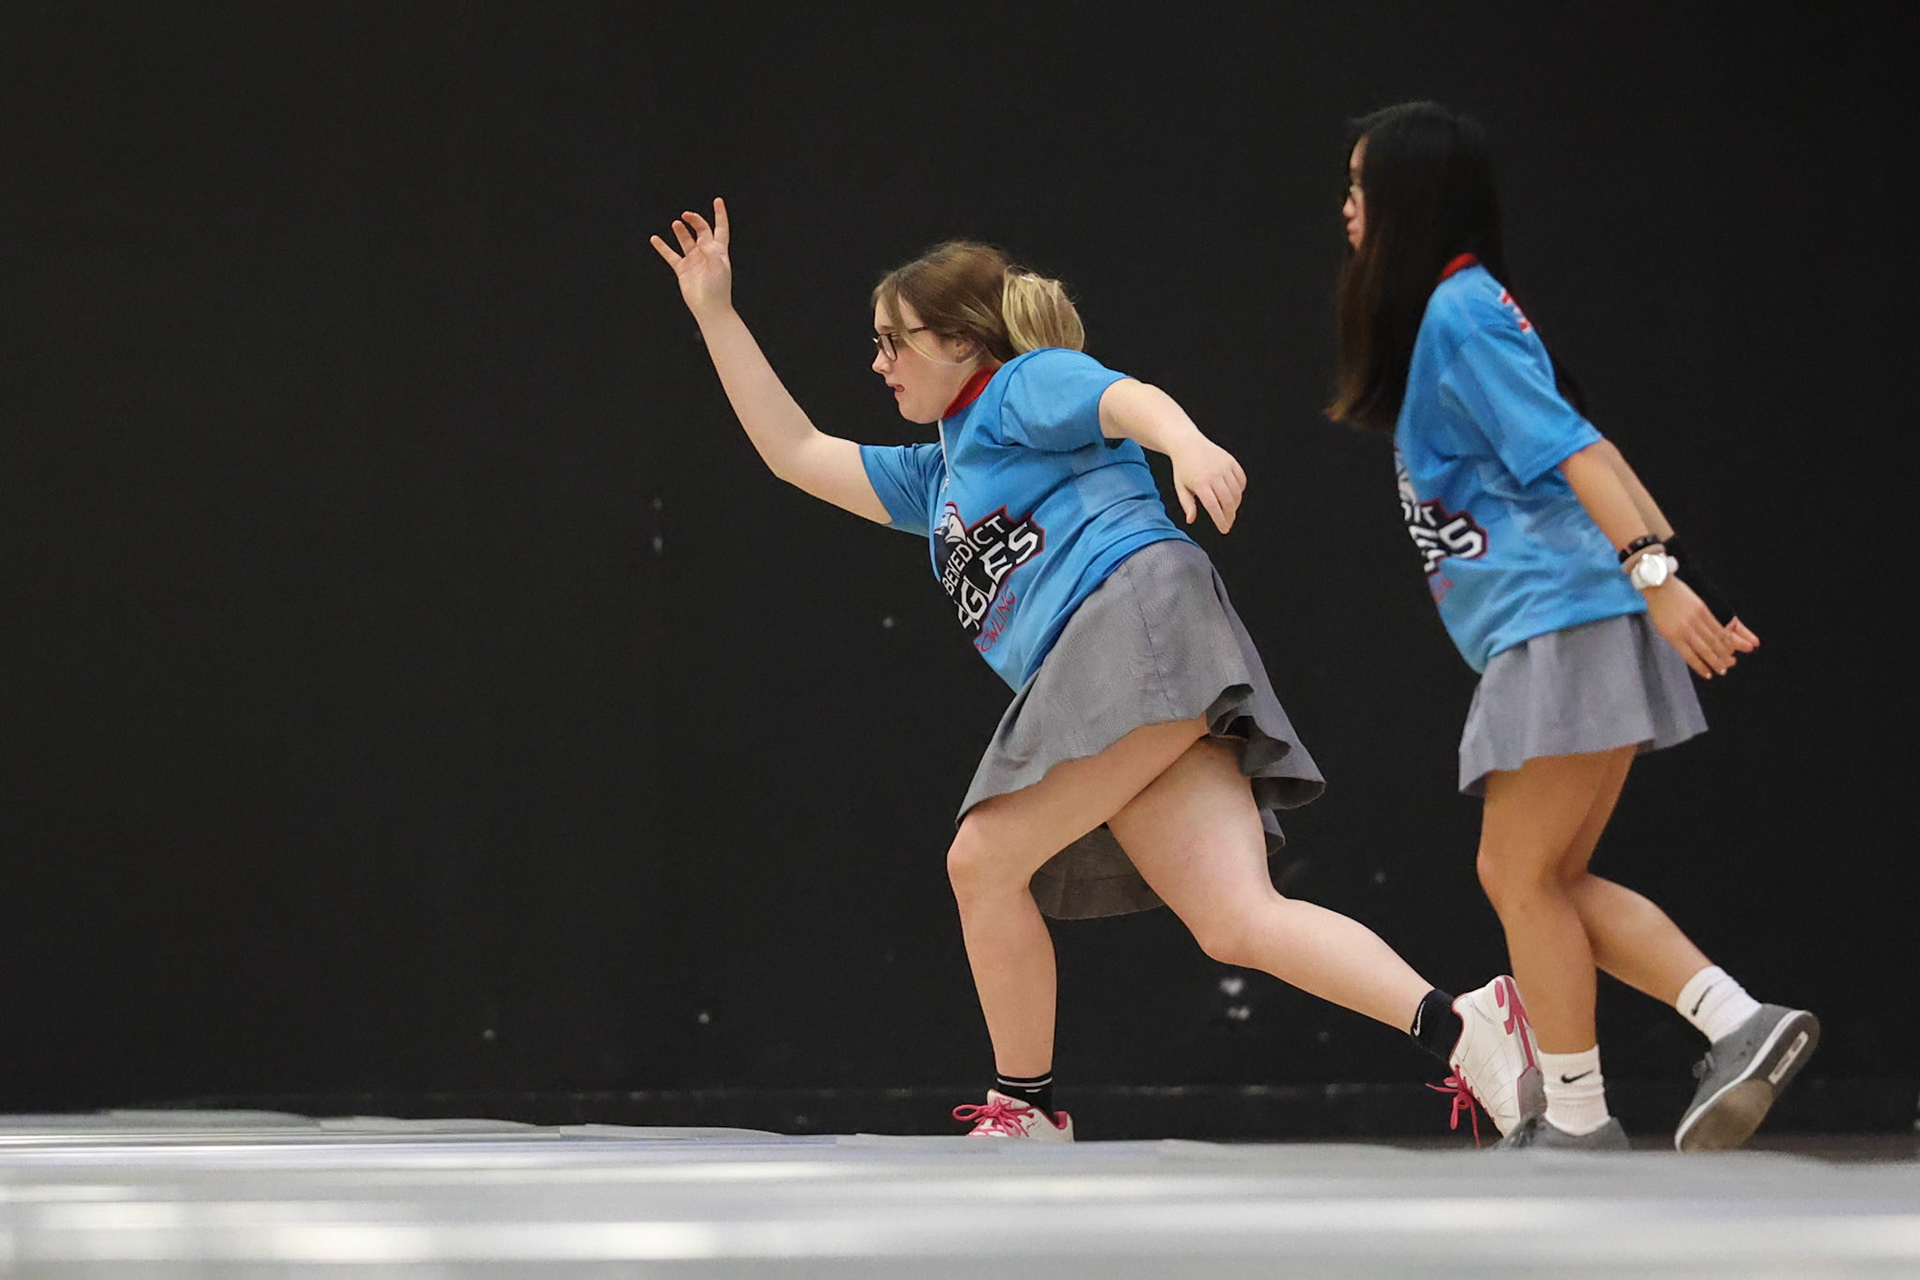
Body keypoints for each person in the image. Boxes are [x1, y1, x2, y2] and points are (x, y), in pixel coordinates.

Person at [651, 198, 1537, 1141]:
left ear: (961, 342)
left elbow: (1123, 397)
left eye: (893, 341)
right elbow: (794, 452)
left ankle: (1026, 1108)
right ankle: (1465, 1025)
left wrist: (1186, 443)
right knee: (1236, 920)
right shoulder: (936, 477)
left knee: (982, 859)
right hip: (1122, 666)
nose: (878, 362)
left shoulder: (1016, 388)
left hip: (1134, 623)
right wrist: (716, 312)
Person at [1330, 102, 1818, 1151]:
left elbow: (1579, 452)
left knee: (1517, 874)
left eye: (1361, 185)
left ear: (1407, 197)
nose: (1348, 208)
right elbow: (1593, 441)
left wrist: (1660, 575)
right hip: (1573, 611)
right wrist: (1679, 574)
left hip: (1561, 614)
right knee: (1545, 878)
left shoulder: (1459, 310)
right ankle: (1722, 1030)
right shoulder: (1466, 308)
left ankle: (1592, 1112)